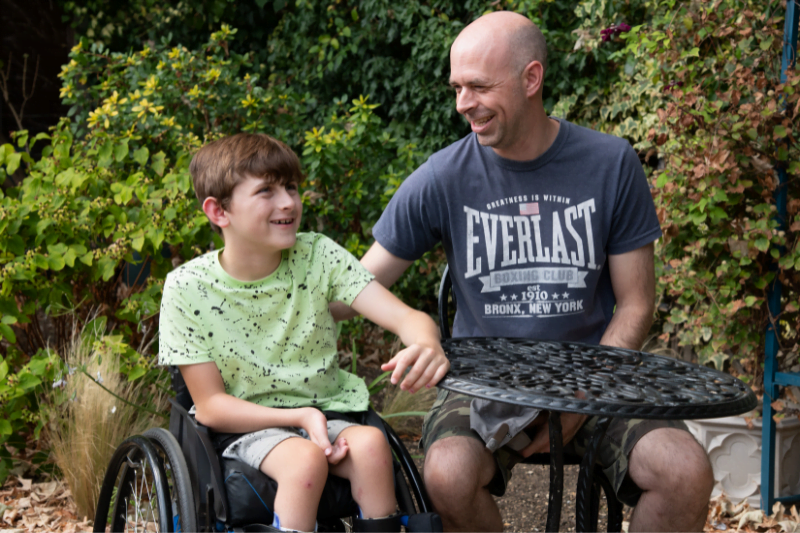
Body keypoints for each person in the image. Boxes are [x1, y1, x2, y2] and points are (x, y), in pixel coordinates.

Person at [332, 11, 714, 533]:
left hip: (597, 372)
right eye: (457, 87)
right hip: (484, 382)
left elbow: (636, 302)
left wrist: (585, 396)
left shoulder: (610, 163)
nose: (464, 103)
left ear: (531, 79)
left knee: (685, 470)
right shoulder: (444, 176)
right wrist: (261, 262)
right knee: (447, 474)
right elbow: (351, 286)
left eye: (479, 86)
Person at [158, 133, 450, 533]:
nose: (288, 202)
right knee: (304, 461)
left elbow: (406, 318)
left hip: (329, 412)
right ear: (218, 211)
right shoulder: (187, 287)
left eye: (291, 187)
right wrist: (300, 416)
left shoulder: (317, 257)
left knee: (372, 447)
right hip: (246, 426)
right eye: (266, 191)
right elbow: (210, 406)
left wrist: (426, 342)